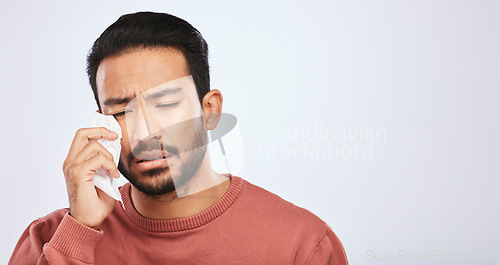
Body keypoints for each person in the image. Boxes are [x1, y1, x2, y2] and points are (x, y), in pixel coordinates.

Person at [9, 11, 348, 265]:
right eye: (120, 112)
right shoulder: (49, 241)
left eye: (167, 104)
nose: (144, 132)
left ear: (211, 110)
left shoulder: (302, 245)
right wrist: (79, 232)